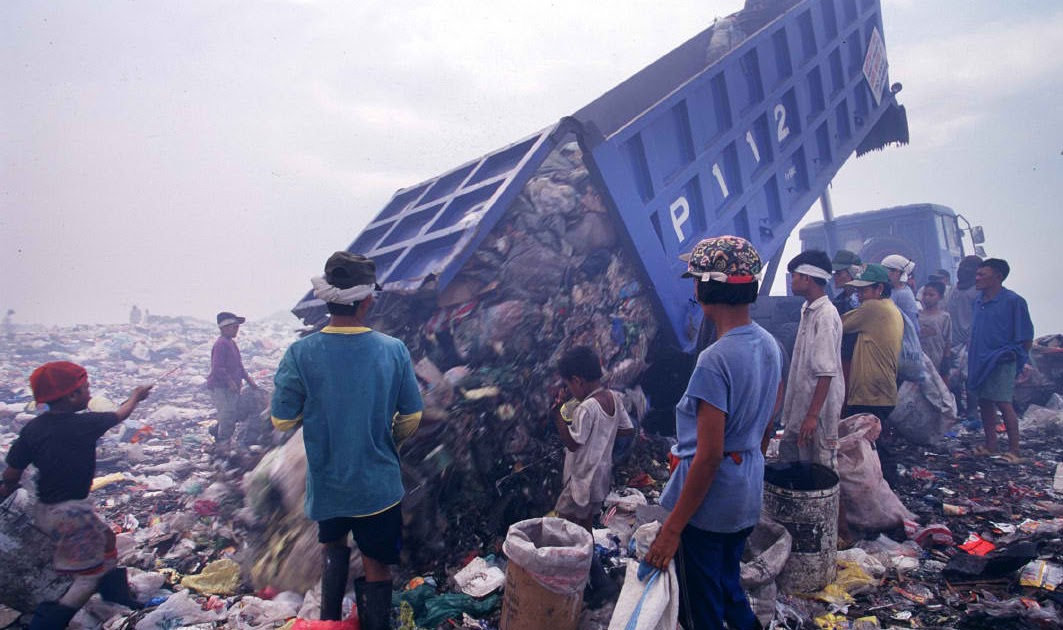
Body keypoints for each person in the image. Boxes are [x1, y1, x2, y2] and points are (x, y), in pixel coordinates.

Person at [271, 251, 423, 629]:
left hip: (329, 483)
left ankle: (328, 621)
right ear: (367, 300)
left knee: (332, 548)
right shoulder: (392, 350)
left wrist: (321, 416)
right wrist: (388, 442)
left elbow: (282, 419)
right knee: (376, 563)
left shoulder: (300, 353)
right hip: (377, 485)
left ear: (327, 299)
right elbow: (412, 416)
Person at [645, 236, 783, 630]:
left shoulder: (715, 360)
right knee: (728, 588)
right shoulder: (768, 344)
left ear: (706, 289)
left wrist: (671, 529)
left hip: (711, 503)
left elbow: (707, 457)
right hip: (746, 491)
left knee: (701, 607)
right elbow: (767, 422)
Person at [1, 362, 152, 628]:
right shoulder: (84, 424)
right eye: (86, 388)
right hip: (70, 514)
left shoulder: (33, 429)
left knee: (107, 538)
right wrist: (136, 396)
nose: (89, 393)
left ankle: (116, 595)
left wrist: (6, 492)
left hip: (46, 508)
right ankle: (47, 623)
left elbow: (12, 474)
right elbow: (121, 413)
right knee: (88, 578)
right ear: (72, 396)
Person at [550, 345, 635, 607]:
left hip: (581, 480)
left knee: (568, 532)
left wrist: (558, 413)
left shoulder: (586, 408)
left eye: (569, 384)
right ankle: (598, 582)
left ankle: (590, 584)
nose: (569, 390)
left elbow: (573, 443)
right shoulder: (614, 398)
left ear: (578, 380)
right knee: (584, 530)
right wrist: (603, 440)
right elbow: (627, 430)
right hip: (599, 479)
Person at [779, 251, 844, 472]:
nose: (792, 281)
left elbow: (826, 371)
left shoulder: (825, 315)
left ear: (807, 278)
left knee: (823, 468)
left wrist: (812, 415)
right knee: (799, 463)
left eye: (795, 276)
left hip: (820, 411)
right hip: (803, 405)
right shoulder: (808, 310)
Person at [967, 258, 1034, 463]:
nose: (977, 278)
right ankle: (990, 445)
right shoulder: (979, 301)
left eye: (982, 275)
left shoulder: (1013, 301)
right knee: (984, 401)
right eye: (977, 274)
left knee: (1004, 403)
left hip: (1002, 359)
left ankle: (1015, 451)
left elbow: (1026, 336)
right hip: (980, 359)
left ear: (998, 277)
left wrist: (1019, 359)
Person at [841, 264, 904, 482]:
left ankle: (887, 483)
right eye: (858, 290)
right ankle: (885, 482)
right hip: (883, 388)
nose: (859, 295)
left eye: (864, 290)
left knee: (869, 441)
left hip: (871, 390)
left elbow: (838, 324)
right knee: (874, 439)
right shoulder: (890, 308)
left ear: (879, 289)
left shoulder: (873, 308)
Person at [206, 311, 258, 453]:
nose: (236, 330)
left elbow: (239, 366)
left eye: (237, 327)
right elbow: (217, 368)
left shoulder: (231, 343)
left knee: (233, 413)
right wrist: (230, 382)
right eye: (234, 327)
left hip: (231, 387)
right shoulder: (221, 344)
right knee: (227, 414)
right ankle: (222, 445)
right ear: (224, 328)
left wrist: (249, 380)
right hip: (220, 387)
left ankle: (217, 431)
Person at [947, 255, 982, 348]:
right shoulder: (954, 288)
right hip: (949, 342)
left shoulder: (978, 292)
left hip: (966, 345)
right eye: (961, 266)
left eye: (967, 267)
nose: (962, 269)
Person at [918, 281, 952, 374]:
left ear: (940, 297)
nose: (927, 297)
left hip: (937, 359)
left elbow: (948, 340)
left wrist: (946, 359)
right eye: (925, 294)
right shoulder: (917, 315)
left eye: (931, 295)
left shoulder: (944, 317)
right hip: (919, 359)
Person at [881, 254, 920, 335]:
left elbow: (912, 325)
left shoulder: (904, 294)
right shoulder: (888, 290)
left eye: (887, 270)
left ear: (898, 272)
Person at [830, 250, 862, 316]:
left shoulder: (865, 298)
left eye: (838, 273)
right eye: (834, 272)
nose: (834, 276)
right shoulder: (837, 302)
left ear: (852, 273)